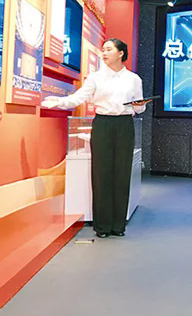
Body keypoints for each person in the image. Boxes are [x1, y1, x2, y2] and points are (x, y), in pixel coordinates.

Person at [41, 38, 144, 238]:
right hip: (103, 124)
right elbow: (78, 97)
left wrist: (139, 106)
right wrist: (60, 102)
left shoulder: (134, 79)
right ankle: (102, 226)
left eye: (109, 49)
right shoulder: (95, 77)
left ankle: (118, 225)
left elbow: (140, 108)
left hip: (125, 125)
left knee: (122, 173)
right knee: (101, 173)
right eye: (103, 50)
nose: (104, 53)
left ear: (121, 53)